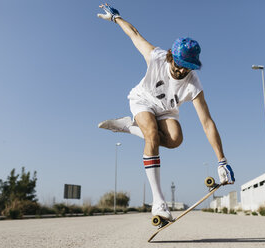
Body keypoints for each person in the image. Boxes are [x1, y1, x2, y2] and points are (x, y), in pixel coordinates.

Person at [97, 3, 235, 221]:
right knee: (151, 135)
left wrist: (221, 160)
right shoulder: (156, 56)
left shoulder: (193, 85)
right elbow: (134, 34)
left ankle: (129, 127)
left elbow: (207, 122)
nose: (181, 72)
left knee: (175, 140)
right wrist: (116, 18)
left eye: (186, 68)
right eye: (178, 66)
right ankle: (158, 202)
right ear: (171, 57)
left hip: (166, 110)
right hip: (142, 101)